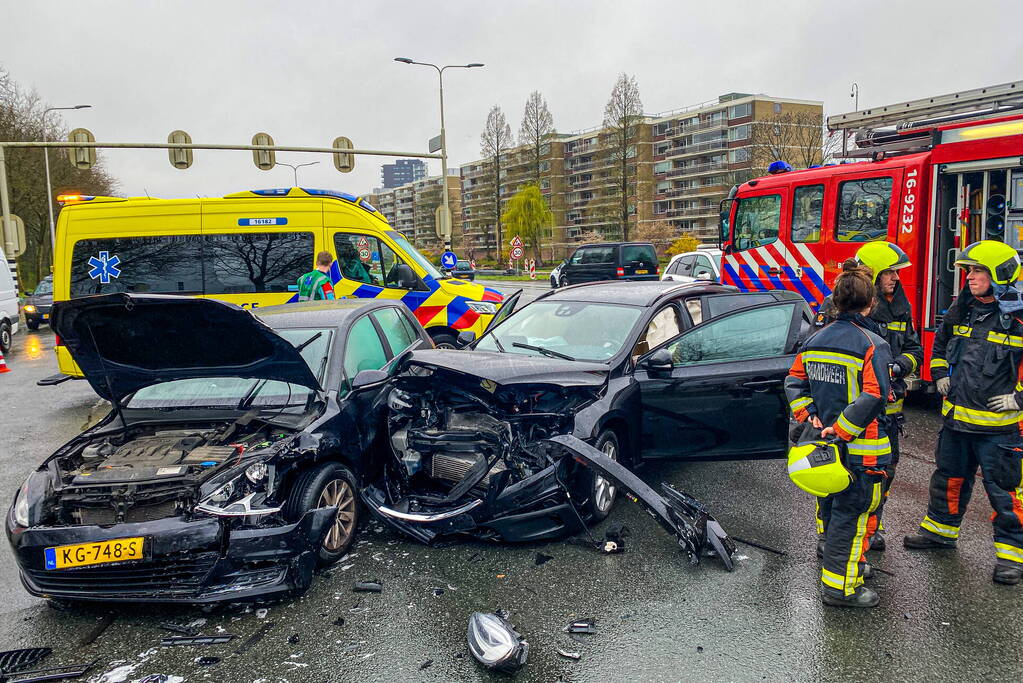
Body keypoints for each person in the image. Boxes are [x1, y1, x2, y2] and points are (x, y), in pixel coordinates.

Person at [904, 240, 1023, 586]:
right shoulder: (963, 309)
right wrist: (940, 374)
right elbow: (940, 346)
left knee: (1005, 493)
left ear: (999, 275)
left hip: (999, 430)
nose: (969, 277)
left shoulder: (1017, 317)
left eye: (977, 271)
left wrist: (1019, 399)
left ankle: (1012, 557)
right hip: (956, 422)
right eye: (968, 271)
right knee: (948, 480)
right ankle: (940, 533)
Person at [785, 259, 895, 608]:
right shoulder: (872, 343)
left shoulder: (814, 339)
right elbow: (875, 394)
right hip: (861, 450)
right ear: (871, 303)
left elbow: (793, 381)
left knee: (833, 510)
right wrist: (844, 429)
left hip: (822, 447)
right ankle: (841, 589)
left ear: (835, 300)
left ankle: (847, 572)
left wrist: (810, 416)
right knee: (853, 516)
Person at [815, 242, 922, 551]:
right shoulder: (836, 305)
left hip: (887, 413)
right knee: (835, 474)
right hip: (846, 411)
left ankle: (869, 530)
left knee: (881, 474)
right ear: (873, 274)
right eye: (890, 273)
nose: (896, 279)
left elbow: (914, 349)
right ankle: (829, 536)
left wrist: (899, 366)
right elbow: (816, 355)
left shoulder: (900, 305)